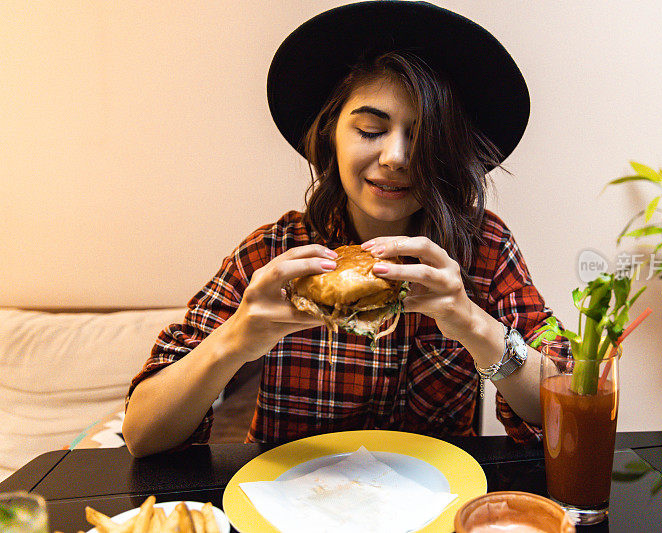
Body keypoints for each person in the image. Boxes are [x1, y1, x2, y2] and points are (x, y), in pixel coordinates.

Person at [122, 1, 569, 458]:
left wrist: (473, 324)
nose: (396, 157)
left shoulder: (483, 249)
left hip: (435, 499)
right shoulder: (274, 254)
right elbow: (141, 434)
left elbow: (568, 402)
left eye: (423, 135)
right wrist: (235, 340)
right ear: (330, 135)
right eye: (371, 130)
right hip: (290, 500)